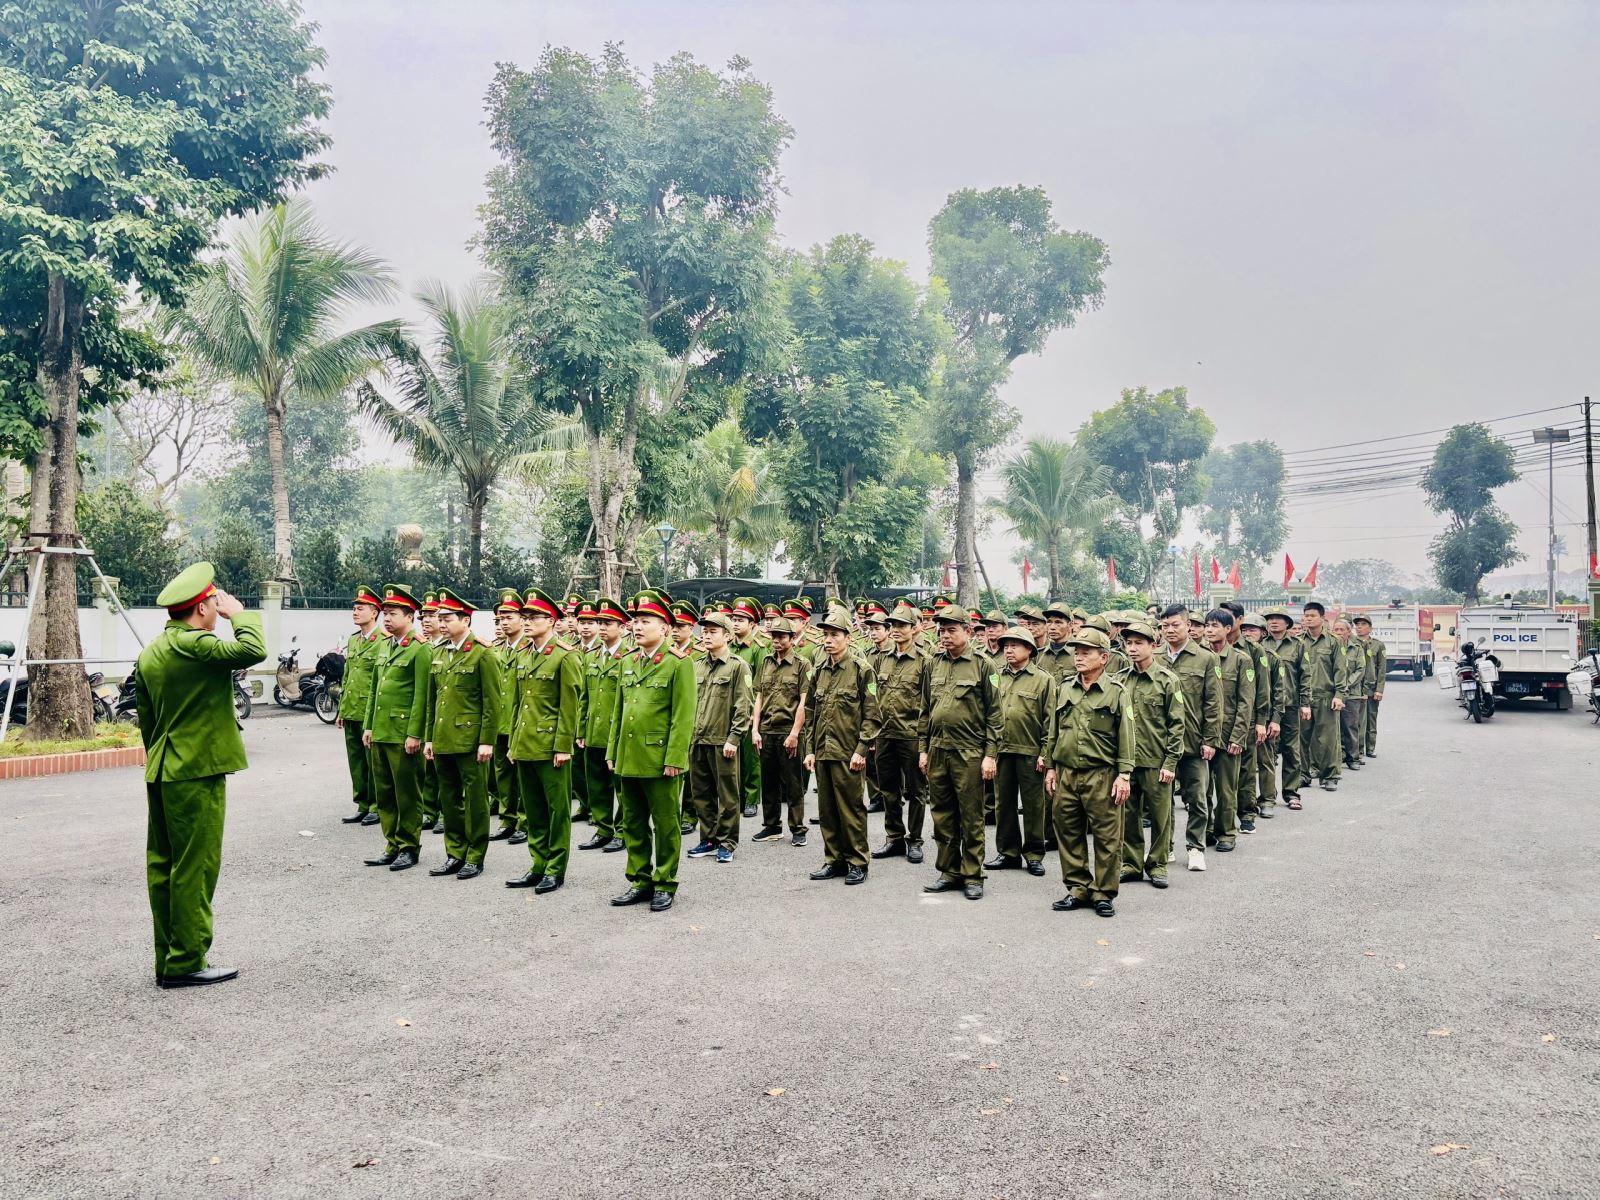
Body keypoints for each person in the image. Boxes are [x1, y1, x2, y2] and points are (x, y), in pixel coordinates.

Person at [135, 562, 267, 989]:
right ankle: (187, 960)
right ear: (201, 608)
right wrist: (241, 614)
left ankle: (168, 957)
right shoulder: (196, 644)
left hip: (163, 767)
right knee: (196, 865)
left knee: (164, 864)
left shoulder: (153, 650)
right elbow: (253, 651)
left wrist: (161, 755)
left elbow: (147, 718)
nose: (218, 606)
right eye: (214, 602)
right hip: (196, 770)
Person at [607, 590, 696, 912]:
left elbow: (683, 715)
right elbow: (620, 710)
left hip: (659, 759)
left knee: (665, 824)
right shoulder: (628, 661)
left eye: (646, 622)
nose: (638, 626)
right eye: (636, 621)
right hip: (629, 757)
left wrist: (675, 758)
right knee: (632, 823)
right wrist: (613, 750)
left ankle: (665, 882)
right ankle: (640, 880)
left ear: (666, 628)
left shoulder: (678, 664)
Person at [1044, 627, 1134, 917]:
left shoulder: (1117, 692)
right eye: (1077, 652)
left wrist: (1124, 775)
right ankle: (1078, 888)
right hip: (1067, 773)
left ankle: (1103, 892)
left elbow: (1126, 735)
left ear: (1103, 657)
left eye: (1086, 653)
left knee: (1108, 837)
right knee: (1068, 832)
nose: (1079, 657)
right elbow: (1053, 732)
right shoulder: (1065, 688)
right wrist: (1050, 768)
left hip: (1102, 774)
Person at [920, 603, 1000, 900]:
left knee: (971, 816)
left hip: (970, 753)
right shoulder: (933, 663)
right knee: (942, 814)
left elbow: (995, 715)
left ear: (968, 632)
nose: (945, 636)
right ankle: (949, 871)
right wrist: (923, 749)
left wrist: (990, 754)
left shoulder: (983, 665)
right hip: (939, 750)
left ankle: (973, 874)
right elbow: (925, 710)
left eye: (951, 630)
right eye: (941, 630)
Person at [504, 587, 582, 893]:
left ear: (550, 620)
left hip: (551, 746)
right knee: (534, 811)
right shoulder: (522, 654)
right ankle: (538, 863)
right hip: (525, 744)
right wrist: (513, 741)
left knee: (556, 810)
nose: (527, 621)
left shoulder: (565, 656)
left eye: (534, 616)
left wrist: (563, 746)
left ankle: (555, 868)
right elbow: (516, 703)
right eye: (525, 616)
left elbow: (569, 705)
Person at [423, 588, 503, 880]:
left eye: (448, 618)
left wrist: (486, 741)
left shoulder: (483, 653)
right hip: (443, 738)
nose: (442, 623)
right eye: (440, 618)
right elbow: (433, 701)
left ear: (466, 620)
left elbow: (493, 703)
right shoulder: (439, 652)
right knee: (449, 799)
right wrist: (429, 737)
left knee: (475, 799)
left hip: (470, 741)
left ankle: (475, 855)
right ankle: (454, 852)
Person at [803, 607, 883, 885]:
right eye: (825, 635)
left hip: (849, 753)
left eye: (834, 635)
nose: (828, 640)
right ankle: (833, 859)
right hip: (824, 752)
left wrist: (862, 750)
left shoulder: (862, 671)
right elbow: (811, 713)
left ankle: (858, 861)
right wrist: (810, 749)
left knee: (851, 810)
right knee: (827, 811)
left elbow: (873, 715)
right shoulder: (818, 672)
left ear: (848, 637)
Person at [363, 585, 431, 874]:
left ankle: (409, 847)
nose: (386, 619)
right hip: (381, 732)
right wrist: (368, 726)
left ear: (409, 616)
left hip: (403, 734)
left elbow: (423, 695)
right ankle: (391, 843)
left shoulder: (420, 648)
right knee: (385, 794)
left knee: (407, 794)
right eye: (385, 614)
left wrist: (415, 733)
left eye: (392, 614)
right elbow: (374, 692)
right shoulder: (385, 645)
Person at [1119, 619, 1183, 889]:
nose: (1132, 648)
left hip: (1157, 762)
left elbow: (1177, 724)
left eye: (1138, 643)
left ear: (1153, 646)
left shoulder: (1168, 681)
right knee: (1128, 816)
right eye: (1129, 643)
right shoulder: (1120, 679)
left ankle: (1157, 864)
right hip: (1127, 762)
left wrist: (1171, 762)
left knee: (1160, 817)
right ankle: (1131, 864)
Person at [987, 626, 1055, 877]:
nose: (1009, 649)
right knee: (1002, 804)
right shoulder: (996, 676)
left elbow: (1050, 721)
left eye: (1015, 645)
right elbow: (989, 714)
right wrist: (990, 751)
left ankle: (1034, 854)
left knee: (1034, 806)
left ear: (1029, 649)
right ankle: (1008, 852)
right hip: (1002, 750)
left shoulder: (1043, 679)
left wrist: (1045, 754)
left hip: (1030, 751)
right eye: (1006, 645)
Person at [1159, 604, 1222, 872]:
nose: (1170, 630)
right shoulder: (1156, 656)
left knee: (1196, 798)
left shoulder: (1206, 658)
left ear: (1188, 626)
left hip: (1193, 740)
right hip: (1159, 742)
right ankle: (1166, 847)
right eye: (1165, 626)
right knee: (1162, 800)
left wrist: (1210, 739)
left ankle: (1196, 847)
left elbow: (1213, 703)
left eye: (1175, 625)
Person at [686, 611, 753, 865]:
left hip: (722, 741)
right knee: (701, 794)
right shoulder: (696, 665)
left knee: (727, 796)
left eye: (713, 631)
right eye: (704, 631)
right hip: (699, 739)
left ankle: (727, 842)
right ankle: (709, 838)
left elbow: (743, 706)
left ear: (727, 635)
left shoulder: (737, 666)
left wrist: (734, 739)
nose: (706, 635)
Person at [871, 602, 929, 863]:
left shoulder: (925, 661)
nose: (895, 630)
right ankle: (894, 837)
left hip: (912, 735)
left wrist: (925, 741)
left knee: (916, 791)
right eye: (892, 625)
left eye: (902, 625)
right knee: (888, 790)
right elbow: (874, 699)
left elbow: (929, 703)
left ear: (914, 628)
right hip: (885, 734)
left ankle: (915, 840)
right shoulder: (881, 658)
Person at [577, 597, 630, 854]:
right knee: (596, 785)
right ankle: (603, 828)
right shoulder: (591, 656)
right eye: (601, 622)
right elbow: (584, 697)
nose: (603, 627)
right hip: (594, 731)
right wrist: (580, 729)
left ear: (622, 627)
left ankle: (622, 830)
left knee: (621, 787)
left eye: (609, 622)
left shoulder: (628, 656)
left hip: (616, 732)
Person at [751, 616, 809, 846]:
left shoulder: (802, 664)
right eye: (774, 636)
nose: (776, 640)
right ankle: (772, 826)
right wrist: (755, 730)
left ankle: (798, 828)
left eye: (781, 637)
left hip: (788, 729)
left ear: (792, 639)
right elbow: (759, 696)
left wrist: (795, 733)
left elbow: (804, 701)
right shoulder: (765, 662)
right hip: (766, 730)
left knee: (793, 783)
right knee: (769, 781)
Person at [1202, 609, 1252, 855]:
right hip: (1202, 735)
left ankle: (1226, 832)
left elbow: (1246, 702)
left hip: (1228, 734)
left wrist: (1238, 736)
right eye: (1207, 625)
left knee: (1225, 789)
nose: (1210, 630)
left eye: (1215, 625)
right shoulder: (1199, 657)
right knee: (1201, 789)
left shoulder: (1241, 660)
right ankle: (1208, 829)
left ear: (1228, 628)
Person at [336, 585, 386, 827]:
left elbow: (380, 681)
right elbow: (348, 676)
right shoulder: (354, 640)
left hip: (369, 712)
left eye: (361, 608)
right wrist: (341, 709)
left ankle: (377, 805)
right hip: (351, 709)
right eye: (354, 608)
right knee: (356, 760)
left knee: (372, 762)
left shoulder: (383, 641)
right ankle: (362, 803)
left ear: (374, 612)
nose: (355, 612)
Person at [488, 588, 528, 844]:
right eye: (501, 618)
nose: (504, 622)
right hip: (500, 722)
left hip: (521, 723)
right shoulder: (495, 648)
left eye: (509, 617)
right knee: (503, 775)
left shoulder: (530, 648)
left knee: (523, 776)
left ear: (523, 619)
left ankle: (525, 820)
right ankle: (507, 818)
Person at [1297, 601, 1348, 791]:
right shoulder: (1299, 641)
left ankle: (1330, 775)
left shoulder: (1334, 641)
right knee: (1303, 738)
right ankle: (1303, 774)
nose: (1308, 619)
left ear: (1322, 618)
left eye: (1312, 616)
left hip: (1326, 697)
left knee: (1327, 739)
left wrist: (1339, 695)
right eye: (1306, 616)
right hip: (1304, 698)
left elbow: (1341, 670)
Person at [1239, 612, 1282, 823]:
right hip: (1242, 718)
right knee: (1244, 766)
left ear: (1263, 633)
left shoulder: (1271, 658)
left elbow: (1277, 691)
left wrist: (1273, 720)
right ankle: (1245, 801)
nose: (1247, 633)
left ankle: (1267, 799)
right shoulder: (1234, 654)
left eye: (1252, 630)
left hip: (1262, 717)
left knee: (1265, 760)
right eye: (1244, 629)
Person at [1262, 607, 1305, 809]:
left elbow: (1305, 676)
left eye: (1279, 619)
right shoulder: (1261, 645)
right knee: (1267, 751)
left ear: (1287, 624)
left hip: (1290, 705)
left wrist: (1305, 703)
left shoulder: (1298, 645)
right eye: (1270, 619)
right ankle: (1267, 795)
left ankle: (1291, 793)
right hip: (1267, 706)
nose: (1274, 622)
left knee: (1290, 749)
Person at [728, 597, 766, 819]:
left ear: (752, 625)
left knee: (750, 758)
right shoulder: (729, 646)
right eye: (734, 618)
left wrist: (755, 716)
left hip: (750, 709)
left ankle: (751, 799)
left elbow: (761, 685)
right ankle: (737, 797)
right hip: (730, 708)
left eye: (741, 619)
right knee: (732, 757)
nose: (736, 623)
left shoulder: (757, 649)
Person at [1335, 618, 1367, 772]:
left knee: (1350, 727)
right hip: (1333, 693)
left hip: (1352, 694)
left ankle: (1353, 758)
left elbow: (1360, 670)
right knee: (1332, 728)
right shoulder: (1330, 646)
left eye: (1342, 630)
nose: (1339, 633)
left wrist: (1345, 685)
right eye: (1336, 630)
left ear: (1349, 632)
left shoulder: (1357, 648)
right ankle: (1336, 757)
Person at [1354, 615, 1385, 757]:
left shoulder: (1378, 645)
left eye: (1363, 624)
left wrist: (1379, 689)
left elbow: (1381, 668)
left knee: (1371, 718)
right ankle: (1358, 749)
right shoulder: (1351, 643)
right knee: (1357, 720)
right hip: (1356, 688)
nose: (1359, 626)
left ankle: (1370, 747)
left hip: (1372, 688)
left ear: (1370, 628)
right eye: (1357, 624)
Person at [1037, 602, 1075, 686]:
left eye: (1058, 622)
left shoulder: (1078, 653)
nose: (1052, 627)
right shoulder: (1038, 655)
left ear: (1070, 625)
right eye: (1049, 622)